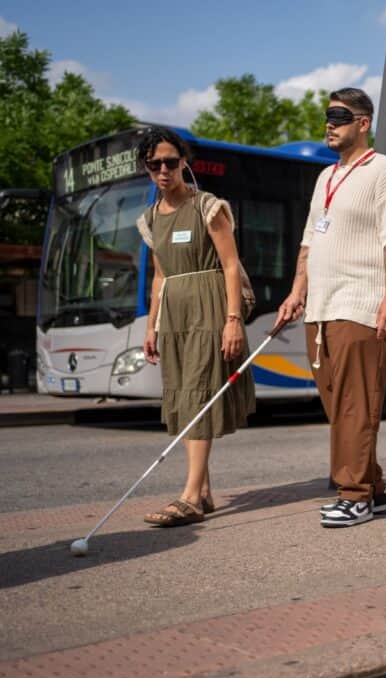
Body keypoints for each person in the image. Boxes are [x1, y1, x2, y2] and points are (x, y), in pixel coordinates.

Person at [275, 88, 386, 528]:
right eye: (327, 117)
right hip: (320, 308)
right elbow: (310, 241)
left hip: (360, 304)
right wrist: (297, 292)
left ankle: (353, 496)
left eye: (339, 116)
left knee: (357, 405)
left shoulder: (384, 171)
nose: (329, 124)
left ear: (363, 123)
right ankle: (375, 487)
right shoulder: (325, 178)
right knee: (340, 407)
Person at [137, 126, 255, 526]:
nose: (164, 170)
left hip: (210, 309)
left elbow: (230, 265)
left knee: (200, 394)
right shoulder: (151, 218)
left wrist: (232, 320)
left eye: (171, 162)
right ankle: (203, 492)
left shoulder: (208, 206)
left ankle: (189, 496)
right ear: (147, 168)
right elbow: (159, 276)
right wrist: (151, 328)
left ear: (184, 162)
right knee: (184, 397)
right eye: (155, 164)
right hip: (174, 315)